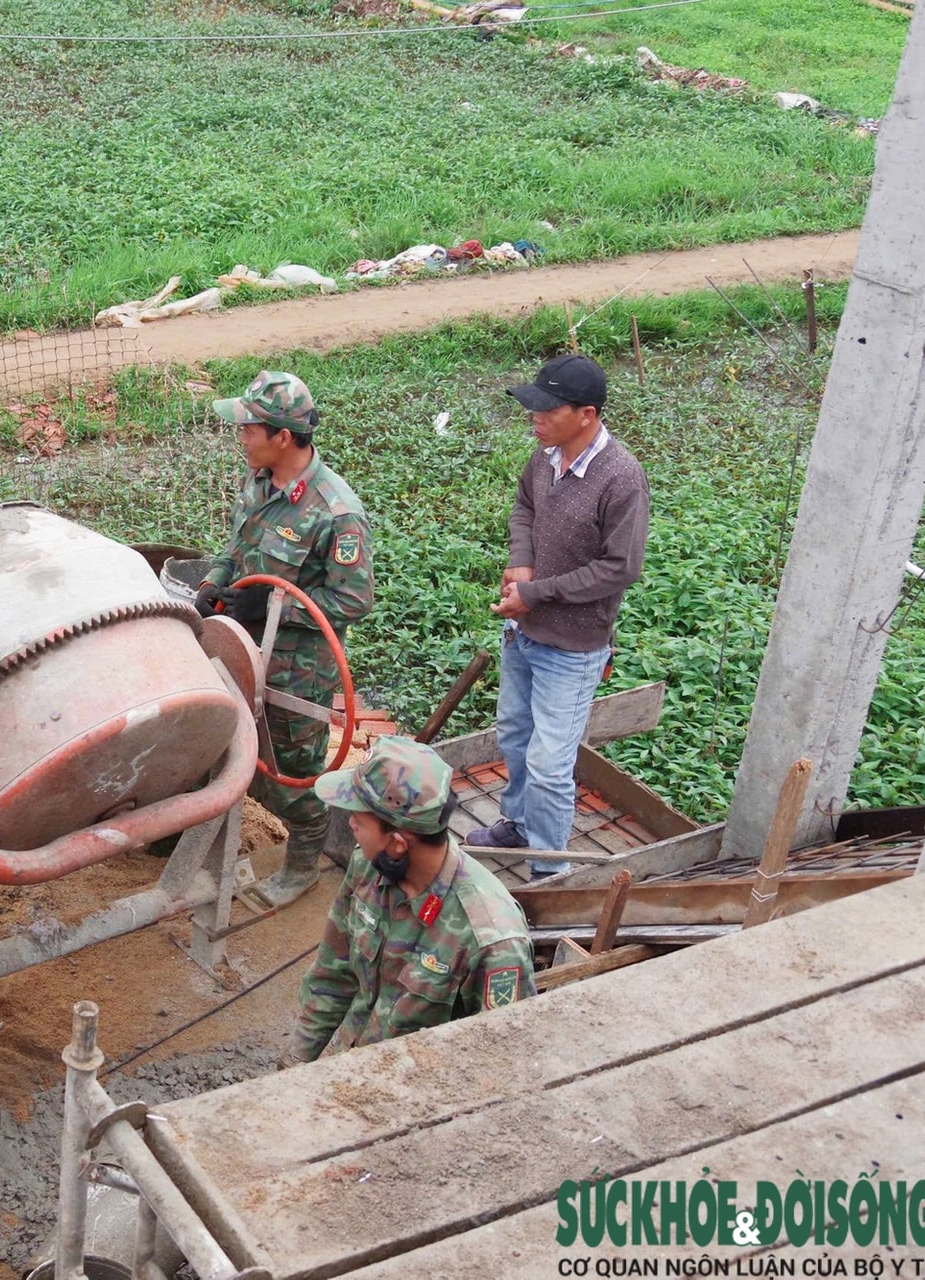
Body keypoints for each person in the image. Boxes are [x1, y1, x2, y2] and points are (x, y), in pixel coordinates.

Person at [465, 354, 649, 881]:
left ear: (586, 414)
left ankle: (551, 872)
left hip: (572, 647)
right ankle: (519, 824)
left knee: (550, 764)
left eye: (547, 409)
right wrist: (520, 562)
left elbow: (621, 567)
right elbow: (525, 506)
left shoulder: (621, 478)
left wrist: (536, 593)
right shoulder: (545, 458)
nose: (535, 417)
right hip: (523, 632)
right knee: (515, 734)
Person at [197, 371, 372, 906]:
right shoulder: (259, 481)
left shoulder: (336, 513)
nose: (239, 438)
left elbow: (353, 600)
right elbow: (237, 548)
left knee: (292, 772)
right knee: (221, 740)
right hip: (241, 647)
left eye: (247, 429)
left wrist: (278, 604)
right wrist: (213, 583)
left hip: (299, 668)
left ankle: (303, 863)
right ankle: (191, 836)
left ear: (283, 437)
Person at [282, 737, 536, 1067]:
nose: (351, 823)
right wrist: (291, 1068)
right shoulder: (367, 867)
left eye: (361, 817)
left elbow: (499, 1063)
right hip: (345, 1069)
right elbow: (333, 976)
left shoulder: (492, 941)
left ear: (399, 844)